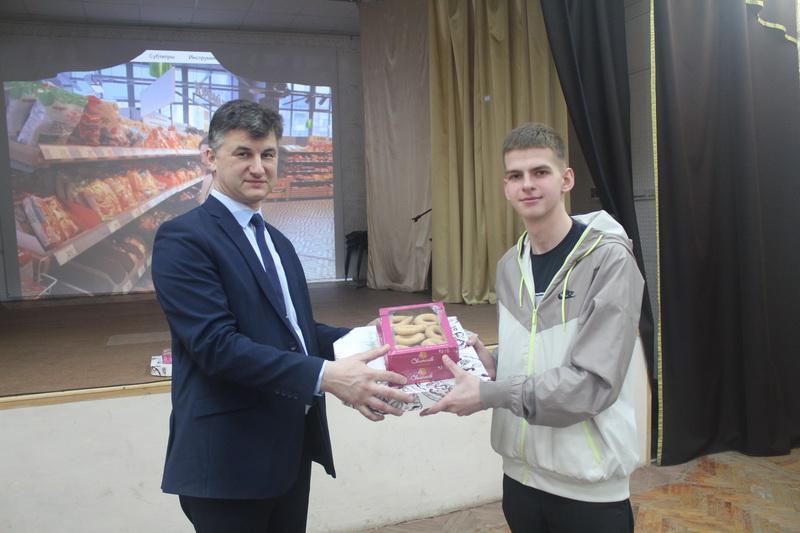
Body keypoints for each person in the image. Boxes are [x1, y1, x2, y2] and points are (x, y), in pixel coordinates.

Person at [151, 99, 412, 533]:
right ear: (209, 157)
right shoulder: (184, 238)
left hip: (287, 451)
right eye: (243, 153)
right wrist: (326, 376)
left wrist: (368, 338)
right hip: (227, 462)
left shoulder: (276, 242)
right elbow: (216, 346)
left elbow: (297, 335)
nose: (258, 167)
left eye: (268, 154)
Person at [422, 123, 645, 532]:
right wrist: (495, 364)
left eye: (540, 172)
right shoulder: (510, 265)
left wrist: (488, 393)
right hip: (520, 479)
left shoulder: (609, 261)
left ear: (566, 179)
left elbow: (592, 384)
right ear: (506, 187)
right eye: (515, 175)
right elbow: (538, 351)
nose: (527, 184)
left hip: (589, 488)